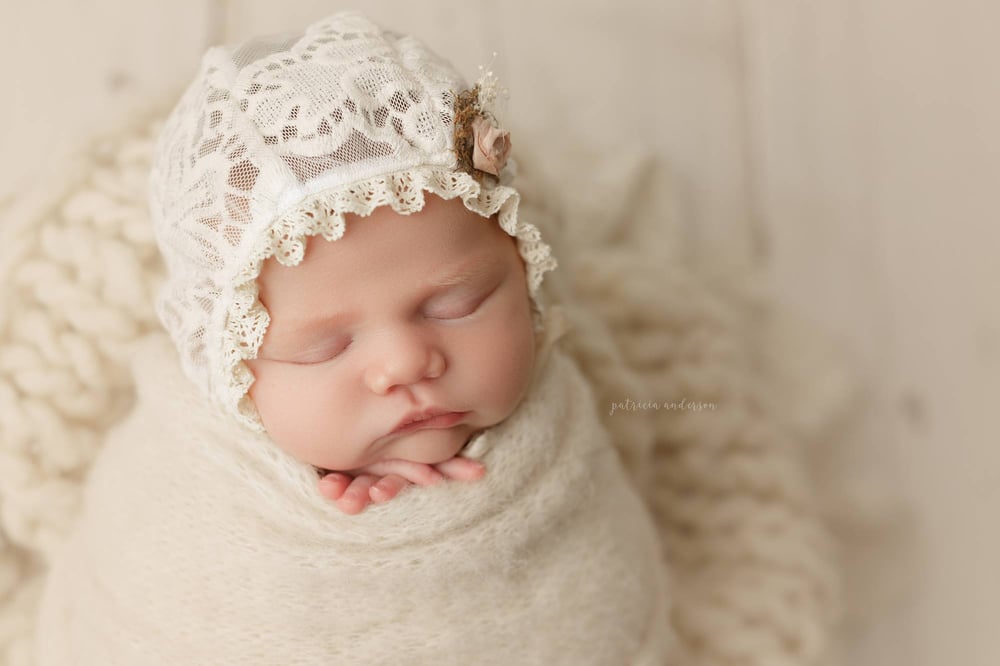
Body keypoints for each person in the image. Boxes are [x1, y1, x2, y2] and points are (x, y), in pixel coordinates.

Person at [34, 10, 673, 664]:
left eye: (459, 303)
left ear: (523, 270)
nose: (405, 362)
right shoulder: (180, 480)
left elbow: (596, 580)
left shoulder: (561, 414)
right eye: (324, 347)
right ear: (231, 372)